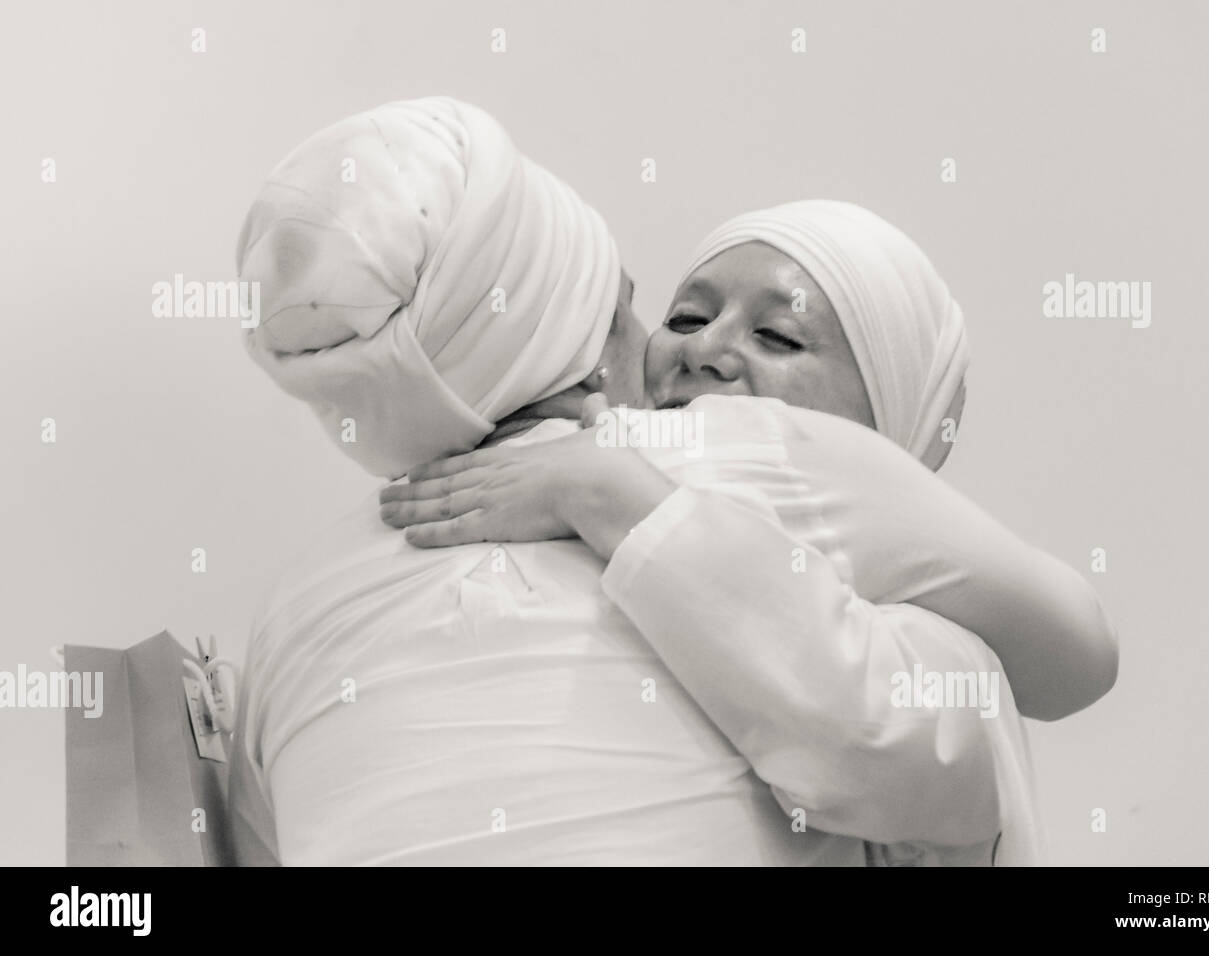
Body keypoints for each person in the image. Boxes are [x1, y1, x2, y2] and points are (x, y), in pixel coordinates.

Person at [231, 97, 1113, 865]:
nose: (704, 348)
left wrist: (611, 494)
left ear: (898, 423)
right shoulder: (736, 468)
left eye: (781, 338)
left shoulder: (297, 601)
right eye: (682, 315)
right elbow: (1050, 675)